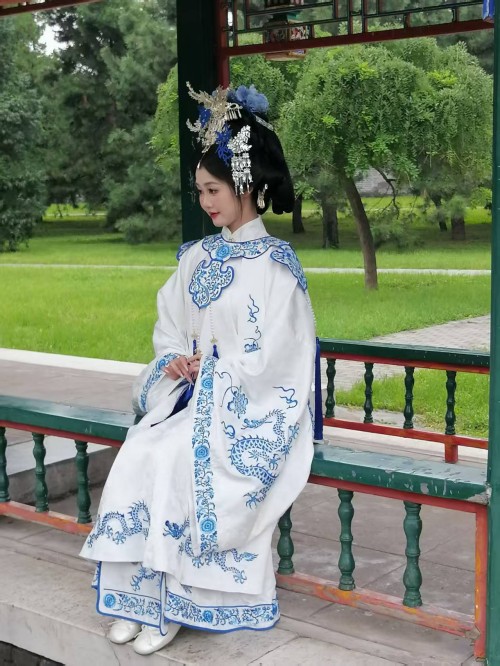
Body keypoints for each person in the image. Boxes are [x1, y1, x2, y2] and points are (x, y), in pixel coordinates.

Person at [80, 83, 319, 656]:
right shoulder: (196, 257)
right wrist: (175, 361)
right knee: (139, 452)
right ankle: (137, 599)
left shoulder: (276, 269)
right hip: (191, 402)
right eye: (201, 192)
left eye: (213, 190)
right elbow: (169, 326)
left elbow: (281, 362)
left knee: (172, 460)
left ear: (244, 184)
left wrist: (214, 376)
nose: (206, 202)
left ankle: (174, 604)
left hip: (248, 412)